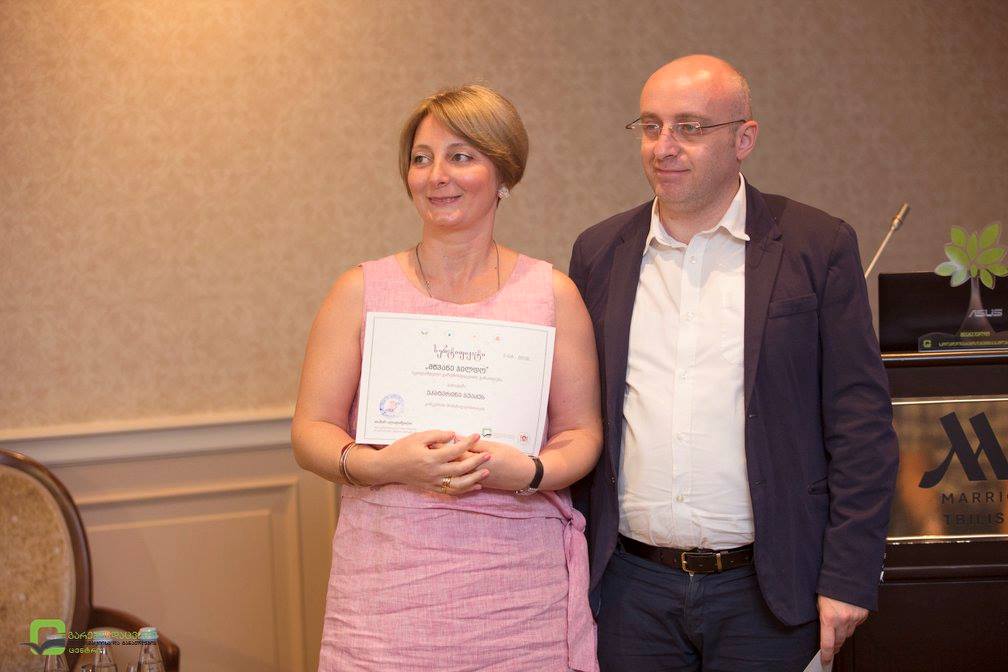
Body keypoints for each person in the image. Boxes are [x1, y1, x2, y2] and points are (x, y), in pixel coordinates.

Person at [568, 55, 899, 671]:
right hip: (631, 590)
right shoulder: (599, 251)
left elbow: (861, 423)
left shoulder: (816, 245)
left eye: (689, 127)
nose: (664, 146)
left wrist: (849, 575)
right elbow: (579, 412)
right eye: (650, 126)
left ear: (744, 138)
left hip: (770, 590)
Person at [292, 84, 602, 672]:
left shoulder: (552, 295)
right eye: (421, 158)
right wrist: (386, 465)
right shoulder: (359, 291)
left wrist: (529, 472)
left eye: (461, 156)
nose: (437, 176)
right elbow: (311, 430)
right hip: (386, 596)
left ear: (504, 174)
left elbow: (581, 433)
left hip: (520, 598)